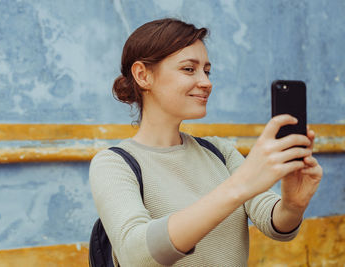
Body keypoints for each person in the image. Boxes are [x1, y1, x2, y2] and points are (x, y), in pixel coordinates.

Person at [89, 18, 323, 266]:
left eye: (207, 71)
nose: (206, 82)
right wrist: (238, 187)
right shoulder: (114, 164)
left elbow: (275, 223)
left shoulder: (219, 152)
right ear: (142, 75)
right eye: (189, 69)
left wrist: (293, 204)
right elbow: (137, 254)